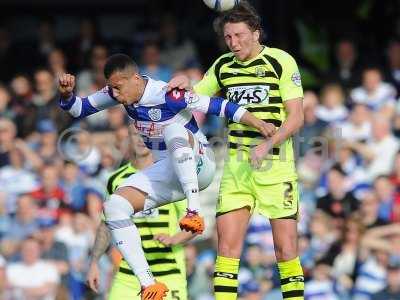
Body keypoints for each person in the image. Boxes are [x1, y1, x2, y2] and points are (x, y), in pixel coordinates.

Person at [59, 53, 273, 299]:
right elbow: (78, 109)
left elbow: (219, 106)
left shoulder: (167, 94)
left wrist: (258, 123)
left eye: (119, 88)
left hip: (200, 163)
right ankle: (149, 284)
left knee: (173, 129)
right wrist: (67, 94)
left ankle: (194, 212)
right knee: (114, 205)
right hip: (168, 169)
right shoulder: (115, 92)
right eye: (112, 89)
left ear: (136, 79)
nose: (115, 95)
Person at [169, 2, 305, 299]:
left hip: (276, 164)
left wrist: (269, 142)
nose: (233, 43)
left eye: (239, 35)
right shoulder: (223, 65)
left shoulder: (281, 61)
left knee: (286, 250)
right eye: (228, 37)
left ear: (256, 33)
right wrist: (184, 83)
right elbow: (195, 96)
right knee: (227, 249)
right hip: (236, 165)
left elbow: (296, 117)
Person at [87, 126, 193, 299]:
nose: (140, 139)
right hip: (130, 275)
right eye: (135, 134)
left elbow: (194, 224)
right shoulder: (116, 180)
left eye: (146, 134)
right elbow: (106, 225)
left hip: (167, 273)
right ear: (128, 138)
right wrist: (94, 263)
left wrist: (173, 239)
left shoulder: (172, 176)